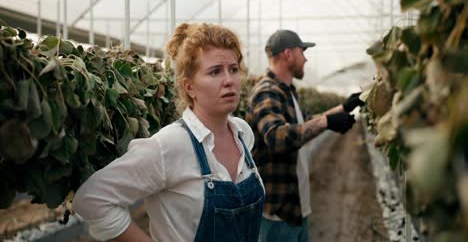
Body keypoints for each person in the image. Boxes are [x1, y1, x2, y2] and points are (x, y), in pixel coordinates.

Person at [73, 23, 265, 242]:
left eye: (233, 69)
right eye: (215, 72)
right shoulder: (171, 145)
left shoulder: (242, 134)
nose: (229, 80)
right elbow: (92, 199)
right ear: (189, 87)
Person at [246, 29, 364, 242]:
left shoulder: (287, 91)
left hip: (295, 206)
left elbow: (305, 122)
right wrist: (327, 122)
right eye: (303, 52)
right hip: (278, 213)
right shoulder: (267, 91)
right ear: (288, 54)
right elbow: (277, 137)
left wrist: (343, 107)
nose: (306, 58)